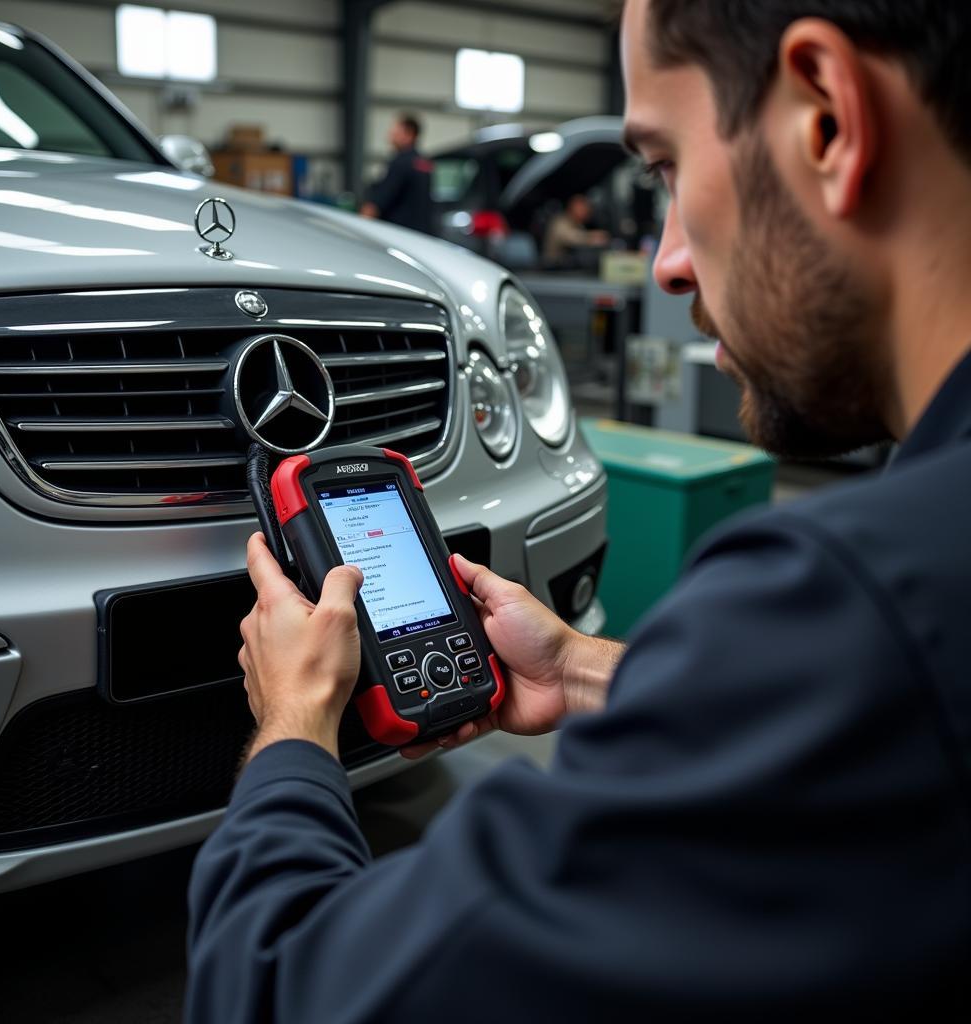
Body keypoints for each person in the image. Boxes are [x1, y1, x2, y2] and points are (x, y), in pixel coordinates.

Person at [186, 1, 971, 1019]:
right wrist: (596, 672)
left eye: (666, 170)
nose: (668, 260)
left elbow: (282, 987)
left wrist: (293, 729)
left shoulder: (851, 606)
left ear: (824, 116)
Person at [359, 113, 434, 234]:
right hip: (422, 234)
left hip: (399, 233)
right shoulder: (424, 163)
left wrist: (360, 226)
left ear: (409, 134)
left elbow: (379, 201)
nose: (390, 135)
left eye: (395, 132)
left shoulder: (400, 163)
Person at [541, 193, 611, 265]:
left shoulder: (578, 224)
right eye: (582, 208)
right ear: (572, 207)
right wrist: (592, 237)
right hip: (553, 268)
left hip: (568, 267)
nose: (586, 212)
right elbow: (569, 237)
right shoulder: (560, 221)